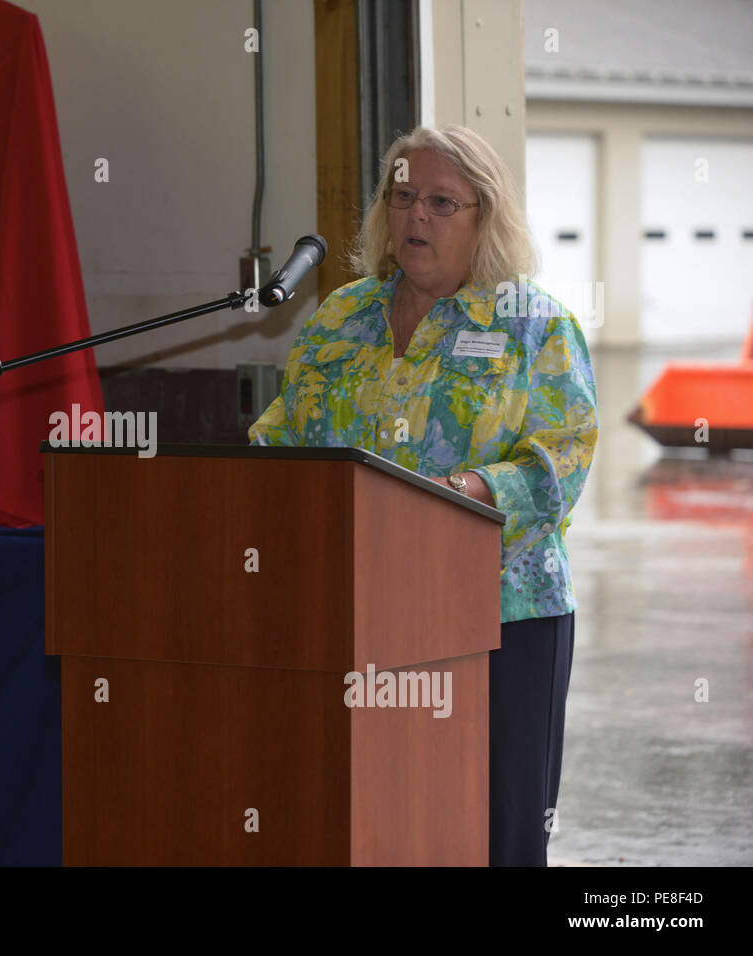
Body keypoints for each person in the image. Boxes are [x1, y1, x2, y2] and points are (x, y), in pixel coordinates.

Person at [249, 125, 598, 866]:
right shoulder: (342, 318)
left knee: (495, 832)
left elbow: (558, 465)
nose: (416, 217)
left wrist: (458, 494)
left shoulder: (533, 324)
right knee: (374, 824)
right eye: (403, 196)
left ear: (486, 217)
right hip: (355, 613)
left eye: (442, 202)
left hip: (499, 619)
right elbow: (282, 438)